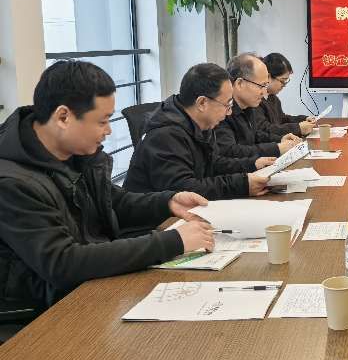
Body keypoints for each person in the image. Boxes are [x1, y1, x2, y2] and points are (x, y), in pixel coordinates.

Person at [0, 61, 213, 313]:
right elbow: (63, 262)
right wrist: (172, 242)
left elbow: (113, 202)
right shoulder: (13, 183)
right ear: (63, 117)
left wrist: (166, 201)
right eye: (102, 121)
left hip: (92, 289)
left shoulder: (75, 154)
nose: (109, 131)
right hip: (47, 313)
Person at [124, 63, 272, 200]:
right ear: (202, 103)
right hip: (159, 218)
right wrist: (242, 184)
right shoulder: (165, 136)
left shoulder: (200, 124)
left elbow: (213, 163)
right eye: (227, 105)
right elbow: (184, 190)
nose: (229, 112)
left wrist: (253, 164)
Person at [216, 53, 302, 160]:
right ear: (239, 84)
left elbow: (255, 136)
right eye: (261, 86)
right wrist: (276, 148)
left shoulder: (248, 106)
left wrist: (280, 139)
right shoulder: (222, 111)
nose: (264, 92)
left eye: (265, 85)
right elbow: (231, 151)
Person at [257, 53, 316, 137]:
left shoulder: (273, 98)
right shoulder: (256, 100)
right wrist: (298, 128)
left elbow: (282, 119)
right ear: (268, 77)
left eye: (286, 81)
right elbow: (266, 129)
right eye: (282, 81)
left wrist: (304, 119)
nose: (284, 85)